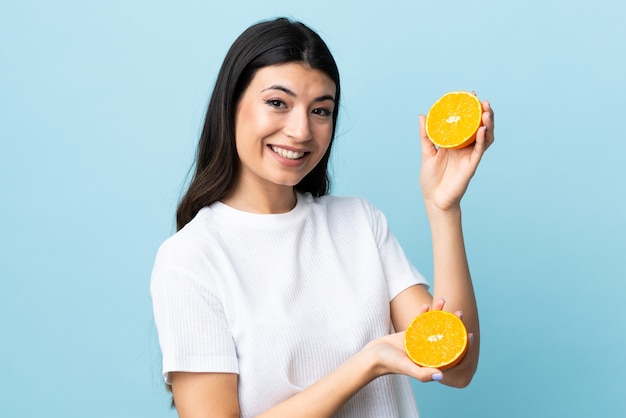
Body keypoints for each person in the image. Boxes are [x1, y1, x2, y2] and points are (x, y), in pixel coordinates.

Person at [150, 17, 495, 418]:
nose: (300, 131)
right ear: (231, 104)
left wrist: (443, 208)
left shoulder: (359, 223)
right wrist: (367, 364)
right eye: (277, 102)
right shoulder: (191, 258)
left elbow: (456, 367)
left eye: (321, 110)